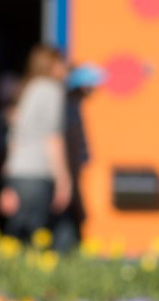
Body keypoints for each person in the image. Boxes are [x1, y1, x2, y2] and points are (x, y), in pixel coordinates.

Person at [0, 46, 71, 243]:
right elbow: (53, 138)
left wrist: (7, 182)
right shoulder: (51, 90)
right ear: (50, 65)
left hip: (18, 174)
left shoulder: (27, 89)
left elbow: (14, 139)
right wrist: (63, 179)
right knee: (40, 237)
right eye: (61, 62)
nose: (66, 67)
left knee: (18, 234)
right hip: (38, 173)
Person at [56, 64, 103, 250]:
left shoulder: (72, 105)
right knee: (69, 217)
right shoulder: (67, 106)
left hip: (72, 170)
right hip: (68, 170)